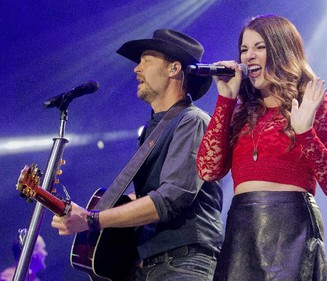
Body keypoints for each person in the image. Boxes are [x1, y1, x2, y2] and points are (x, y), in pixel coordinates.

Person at [51, 29, 223, 281]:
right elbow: (151, 194)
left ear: (174, 68)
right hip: (149, 265)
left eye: (146, 60)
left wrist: (92, 219)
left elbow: (170, 198)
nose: (136, 69)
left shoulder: (192, 121)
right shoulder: (152, 129)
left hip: (184, 263)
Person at [197, 15, 327, 281]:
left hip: (293, 232)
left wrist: (306, 134)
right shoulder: (240, 112)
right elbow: (208, 169)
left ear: (281, 49)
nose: (248, 56)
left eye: (259, 47)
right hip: (242, 233)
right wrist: (225, 100)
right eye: (244, 50)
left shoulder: (318, 105)